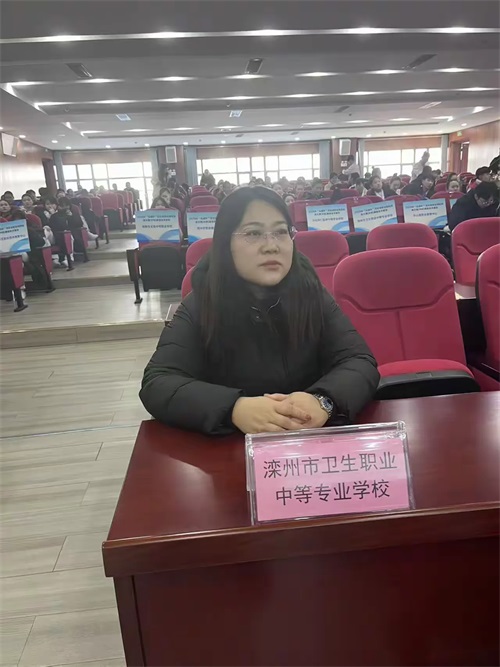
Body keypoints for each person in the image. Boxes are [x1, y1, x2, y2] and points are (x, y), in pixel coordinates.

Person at [140, 186, 379, 435]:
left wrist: (324, 401)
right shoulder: (202, 303)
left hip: (307, 439)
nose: (271, 246)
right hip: (231, 446)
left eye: (281, 232)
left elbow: (359, 361)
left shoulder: (311, 292)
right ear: (225, 243)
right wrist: (234, 408)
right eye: (253, 233)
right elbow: (158, 382)